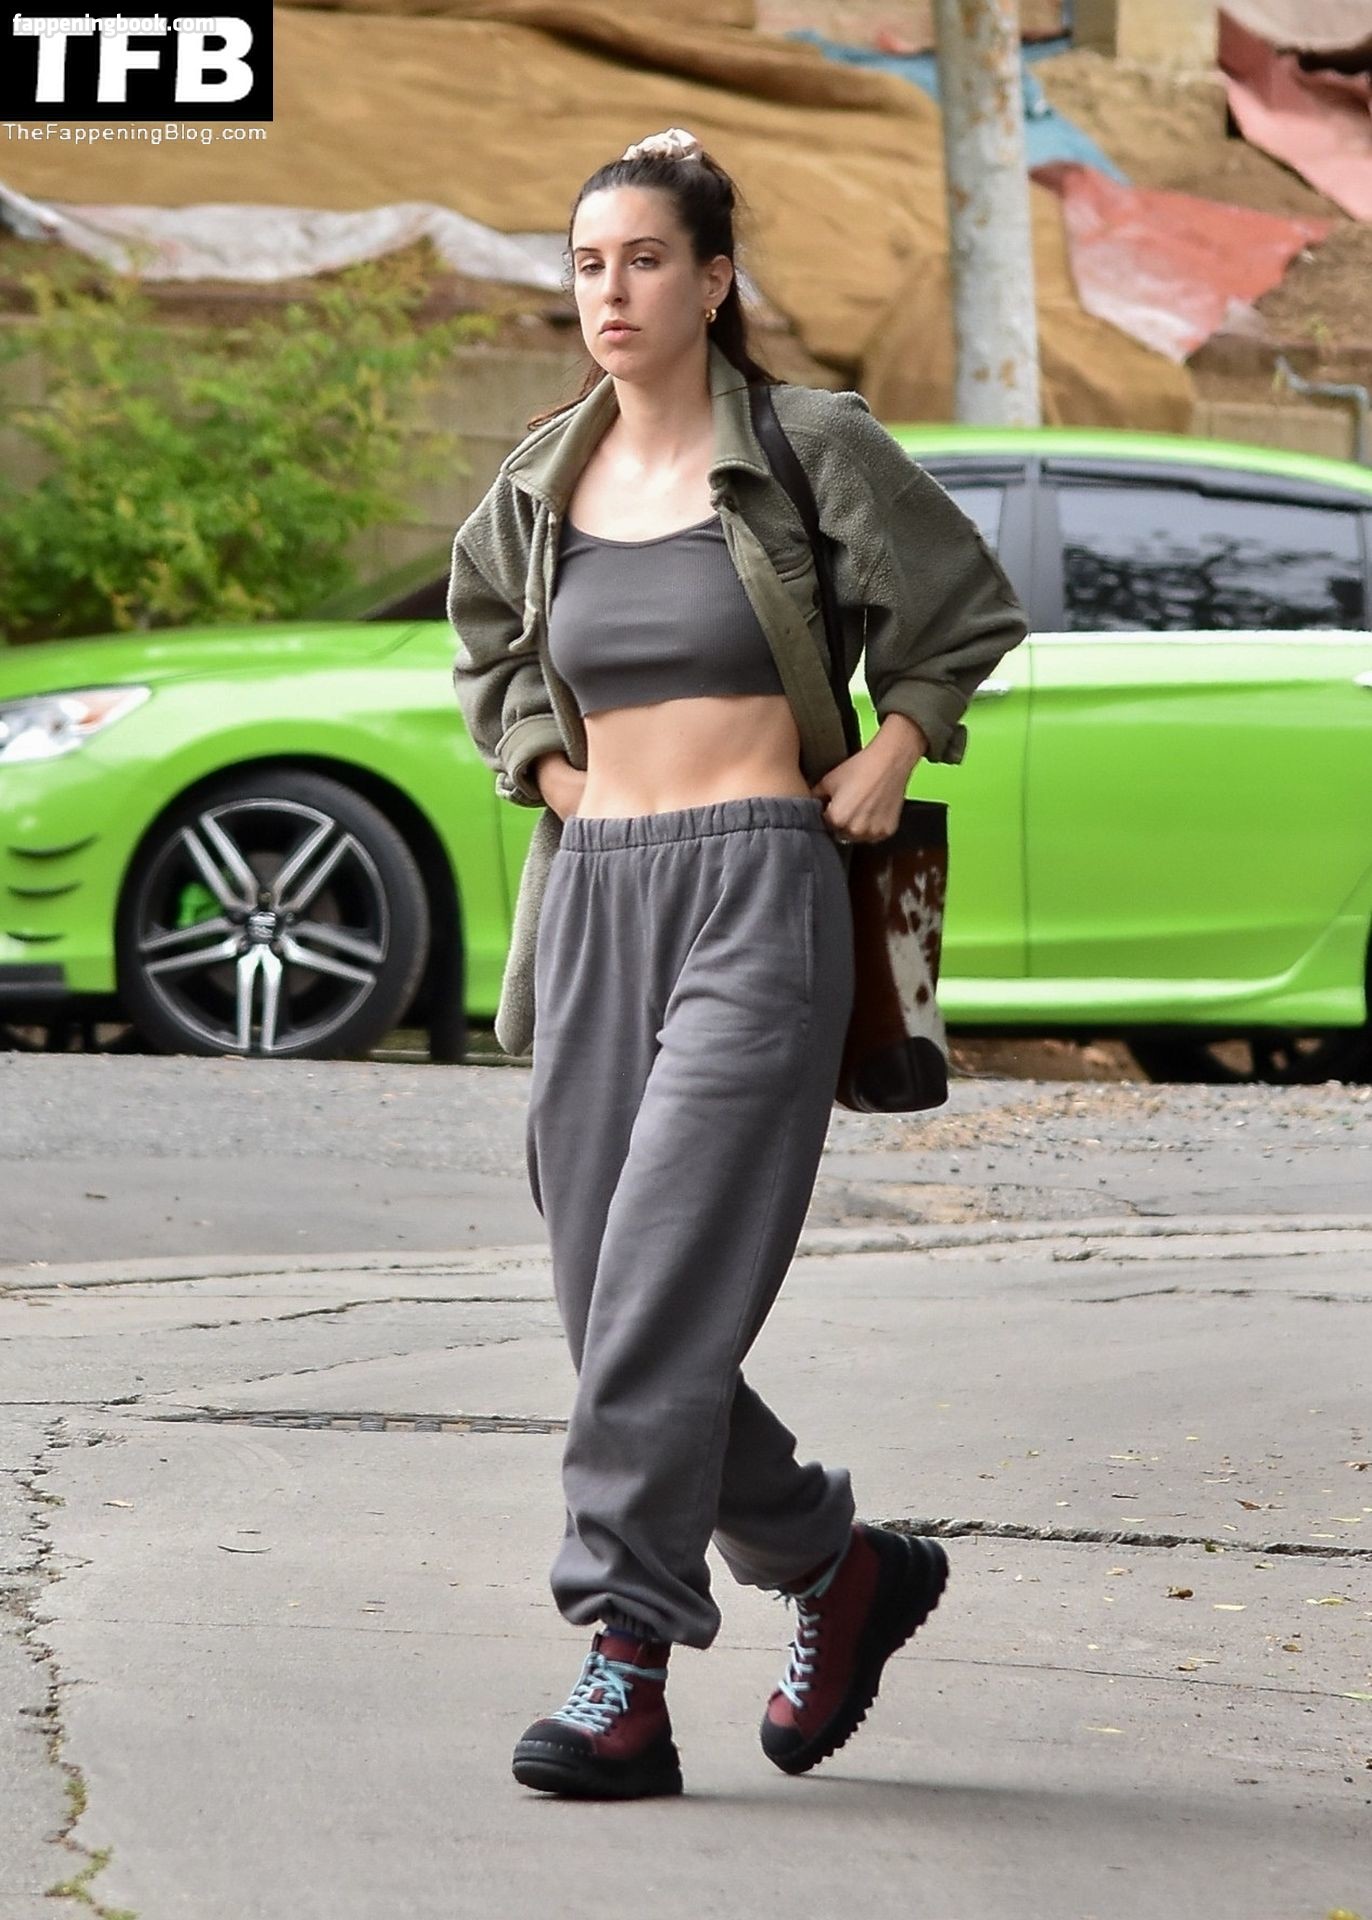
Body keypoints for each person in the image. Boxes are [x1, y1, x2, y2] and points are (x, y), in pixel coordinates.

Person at [447, 126, 1029, 1800]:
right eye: (587, 264)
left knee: (661, 1288)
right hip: (593, 900)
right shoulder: (538, 481)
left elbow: (964, 609)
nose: (611, 292)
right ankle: (837, 1565)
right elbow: (490, 651)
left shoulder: (806, 445)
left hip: (761, 890)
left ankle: (623, 1662)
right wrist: (550, 771)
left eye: (644, 260)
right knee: (614, 1308)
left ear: (713, 280)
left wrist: (896, 745)